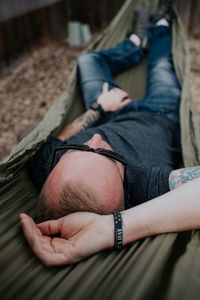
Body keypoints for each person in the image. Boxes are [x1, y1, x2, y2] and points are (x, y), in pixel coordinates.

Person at [20, 0, 200, 266]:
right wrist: (112, 229)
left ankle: (134, 44)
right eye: (107, 154)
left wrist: (98, 108)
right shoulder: (145, 188)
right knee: (161, 65)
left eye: (76, 148)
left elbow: (60, 138)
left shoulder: (48, 166)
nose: (95, 139)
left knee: (88, 59)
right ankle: (161, 24)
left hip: (110, 108)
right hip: (161, 112)